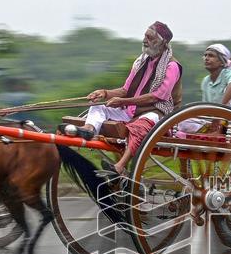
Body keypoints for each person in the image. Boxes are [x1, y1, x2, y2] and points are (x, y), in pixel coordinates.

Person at [73, 22, 182, 176]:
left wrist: (123, 102)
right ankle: (89, 130)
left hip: (159, 114)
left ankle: (120, 166)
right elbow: (125, 90)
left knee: (142, 124)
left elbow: (157, 96)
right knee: (98, 106)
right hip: (131, 110)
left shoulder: (172, 66)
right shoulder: (141, 61)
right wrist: (104, 93)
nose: (145, 40)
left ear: (162, 42)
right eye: (145, 36)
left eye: (149, 37)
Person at [174, 43, 231, 136]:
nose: (206, 58)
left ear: (221, 62)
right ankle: (213, 131)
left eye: (211, 56)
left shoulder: (230, 74)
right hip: (216, 122)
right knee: (182, 120)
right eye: (205, 55)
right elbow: (207, 109)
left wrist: (218, 115)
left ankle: (220, 131)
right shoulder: (206, 81)